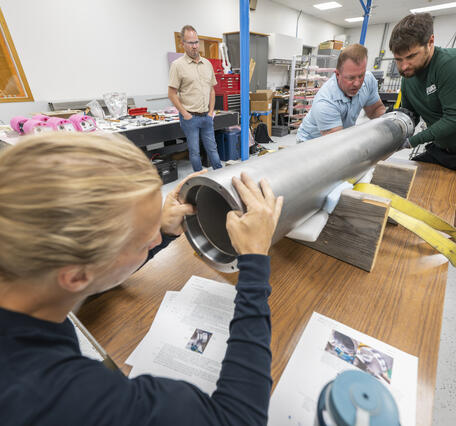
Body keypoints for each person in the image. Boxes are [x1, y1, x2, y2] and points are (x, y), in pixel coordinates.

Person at [0, 132, 283, 425]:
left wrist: (158, 230)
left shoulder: (26, 268)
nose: (155, 237)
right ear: (75, 276)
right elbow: (239, 418)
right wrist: (254, 262)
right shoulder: (60, 397)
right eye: (142, 241)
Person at [389, 13, 456, 170]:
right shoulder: (408, 75)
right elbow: (409, 115)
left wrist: (412, 141)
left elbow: (453, 118)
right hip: (442, 150)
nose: (404, 66)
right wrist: (390, 129)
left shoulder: (448, 65)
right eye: (398, 59)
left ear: (430, 42)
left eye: (411, 56)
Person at [296, 44, 385, 142]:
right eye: (351, 78)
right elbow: (337, 144)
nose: (357, 83)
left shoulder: (368, 80)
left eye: (361, 76)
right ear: (337, 74)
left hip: (339, 137)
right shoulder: (325, 102)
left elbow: (375, 110)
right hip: (310, 144)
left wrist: (389, 128)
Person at [168, 25, 223, 172]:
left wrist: (211, 112)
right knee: (194, 152)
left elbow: (212, 90)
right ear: (183, 44)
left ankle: (221, 176)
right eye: (190, 43)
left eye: (196, 42)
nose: (194, 46)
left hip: (207, 116)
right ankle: (200, 180)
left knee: (213, 150)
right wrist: (185, 114)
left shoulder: (207, 64)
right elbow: (171, 93)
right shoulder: (177, 65)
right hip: (190, 118)